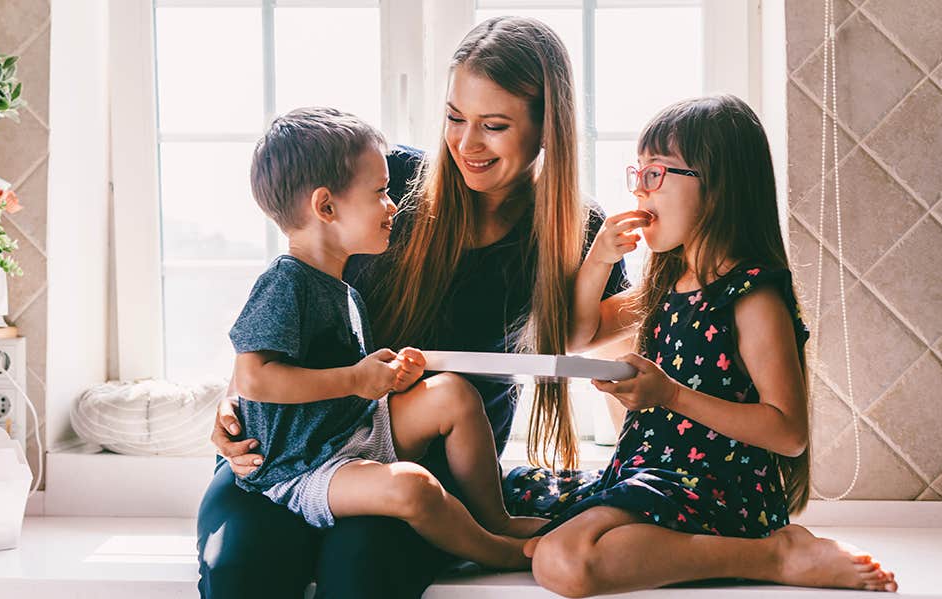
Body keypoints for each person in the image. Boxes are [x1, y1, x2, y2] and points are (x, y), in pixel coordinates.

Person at [198, 17, 629, 598]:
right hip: (289, 451)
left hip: (429, 468)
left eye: (494, 125)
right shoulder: (385, 180)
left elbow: (612, 359)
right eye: (455, 118)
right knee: (240, 570)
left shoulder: (578, 232)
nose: (466, 144)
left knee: (362, 572)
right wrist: (236, 403)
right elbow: (283, 305)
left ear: (547, 126)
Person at [516, 94, 898, 596]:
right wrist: (598, 261)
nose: (640, 192)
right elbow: (575, 338)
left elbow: (788, 434)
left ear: (716, 188)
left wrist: (670, 395)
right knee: (516, 503)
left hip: (717, 492)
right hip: (651, 478)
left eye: (656, 175)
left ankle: (773, 555)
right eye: (638, 175)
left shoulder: (751, 295)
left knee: (562, 560)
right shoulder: (663, 289)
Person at [227, 106, 544, 570]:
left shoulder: (341, 287)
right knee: (413, 487)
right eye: (380, 193)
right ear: (326, 207)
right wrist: (356, 379)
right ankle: (499, 552)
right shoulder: (286, 281)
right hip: (305, 467)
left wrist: (386, 374)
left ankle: (495, 517)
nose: (394, 205)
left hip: (350, 430)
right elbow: (254, 378)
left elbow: (337, 372)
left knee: (453, 392)